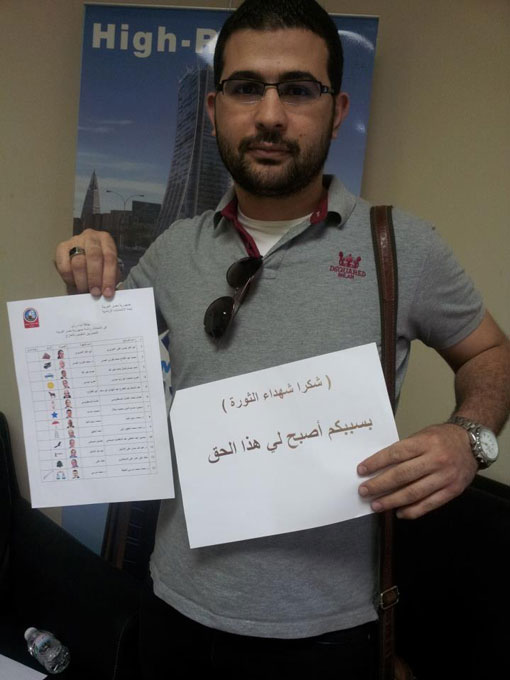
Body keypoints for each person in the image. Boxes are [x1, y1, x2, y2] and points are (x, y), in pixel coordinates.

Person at [54, 1, 510, 677]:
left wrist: (469, 437)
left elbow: (492, 353)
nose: (270, 115)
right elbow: (98, 370)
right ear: (215, 111)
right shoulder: (174, 249)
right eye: (246, 88)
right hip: (174, 611)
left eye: (298, 89)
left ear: (337, 109)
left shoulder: (401, 245)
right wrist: (83, 283)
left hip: (332, 633)